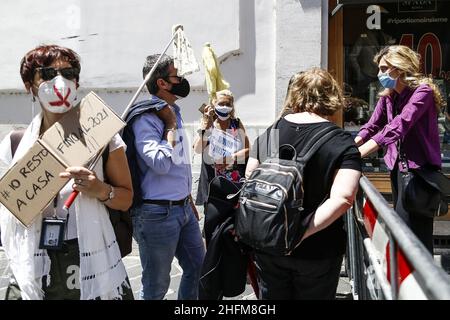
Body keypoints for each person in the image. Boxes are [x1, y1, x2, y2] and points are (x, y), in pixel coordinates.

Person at [0, 45, 134, 300]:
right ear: (30, 84)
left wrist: (100, 190)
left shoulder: (103, 137)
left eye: (69, 72)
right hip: (33, 260)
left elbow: (127, 198)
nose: (60, 81)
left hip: (88, 255)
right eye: (48, 74)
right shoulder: (15, 145)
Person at [246, 68, 362, 299]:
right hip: (318, 248)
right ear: (332, 96)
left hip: (270, 242)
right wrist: (300, 233)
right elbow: (344, 198)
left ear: (295, 94)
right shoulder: (340, 141)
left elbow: (251, 176)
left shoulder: (274, 130)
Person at [122, 54, 205, 300]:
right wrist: (169, 125)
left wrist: (187, 196)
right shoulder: (148, 117)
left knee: (197, 267)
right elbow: (159, 163)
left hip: (182, 208)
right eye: (176, 75)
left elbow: (179, 161)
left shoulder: (172, 111)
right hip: (156, 215)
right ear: (162, 83)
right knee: (156, 286)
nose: (181, 79)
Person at [355, 45, 445, 253]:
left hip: (419, 171)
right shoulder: (389, 95)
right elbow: (372, 125)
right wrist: (353, 146)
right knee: (401, 229)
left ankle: (424, 282)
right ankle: (405, 280)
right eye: (379, 69)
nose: (380, 74)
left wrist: (360, 152)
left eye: (385, 69)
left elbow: (399, 125)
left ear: (400, 68)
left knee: (418, 233)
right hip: (397, 169)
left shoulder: (423, 92)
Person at [193, 89, 250, 243]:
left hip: (234, 184)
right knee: (212, 226)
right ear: (213, 104)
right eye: (221, 103)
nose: (224, 106)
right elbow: (198, 149)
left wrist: (230, 158)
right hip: (212, 183)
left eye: (228, 103)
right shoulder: (208, 125)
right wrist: (206, 125)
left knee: (233, 226)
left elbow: (247, 149)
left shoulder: (236, 124)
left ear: (232, 106)